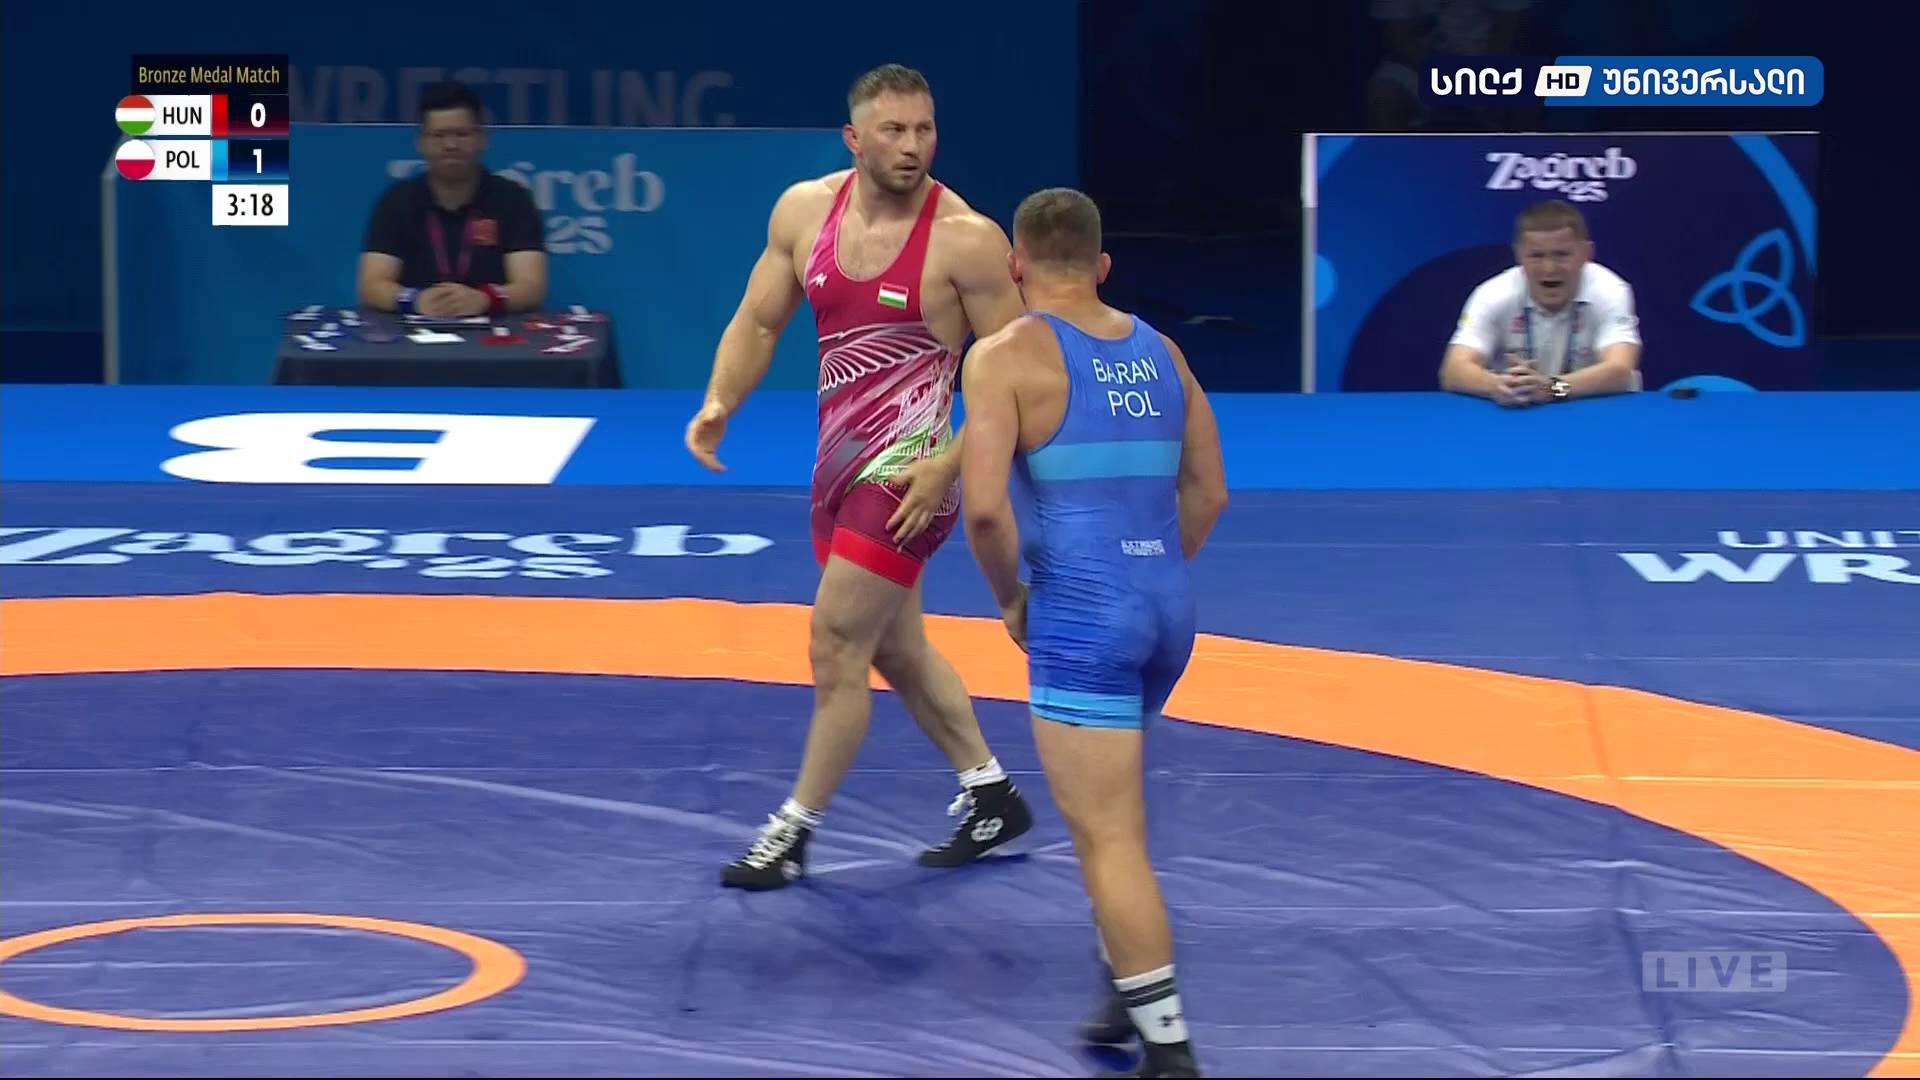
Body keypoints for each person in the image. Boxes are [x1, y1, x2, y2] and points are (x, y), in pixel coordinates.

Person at [684, 63, 1035, 891]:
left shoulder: (966, 240)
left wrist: (948, 463)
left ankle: (793, 830)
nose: (913, 146)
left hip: (911, 479)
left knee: (837, 641)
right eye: (894, 131)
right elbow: (759, 320)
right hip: (838, 469)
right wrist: (720, 400)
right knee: (898, 647)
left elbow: (1022, 376)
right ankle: (991, 795)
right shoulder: (804, 212)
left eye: (925, 130)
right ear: (854, 138)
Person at [958, 187, 1227, 1079]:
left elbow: (985, 512)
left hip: (1082, 617)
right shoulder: (1163, 350)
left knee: (1109, 835)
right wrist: (1153, 572)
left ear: (1016, 264)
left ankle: (1169, 1046)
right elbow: (1210, 492)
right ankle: (1125, 984)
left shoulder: (1004, 356)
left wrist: (1012, 601)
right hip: (1167, 609)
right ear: (1103, 265)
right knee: (1108, 816)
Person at [358, 81, 548, 319]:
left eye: (461, 134)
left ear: (482, 139)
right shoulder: (397, 202)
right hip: (413, 330)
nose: (450, 145)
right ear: (421, 143)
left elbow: (531, 286)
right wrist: (415, 300)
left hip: (496, 331)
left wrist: (485, 299)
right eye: (438, 136)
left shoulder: (512, 199)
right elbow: (371, 285)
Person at [1440, 199, 1644, 406]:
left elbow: (1620, 370)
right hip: (1519, 413)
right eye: (1536, 256)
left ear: (1586, 254)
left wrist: (1553, 388)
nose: (1549, 268)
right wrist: (1497, 385)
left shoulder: (1609, 290)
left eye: (1562, 255)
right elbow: (1453, 370)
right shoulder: (1492, 294)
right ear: (1519, 255)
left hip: (1598, 411)